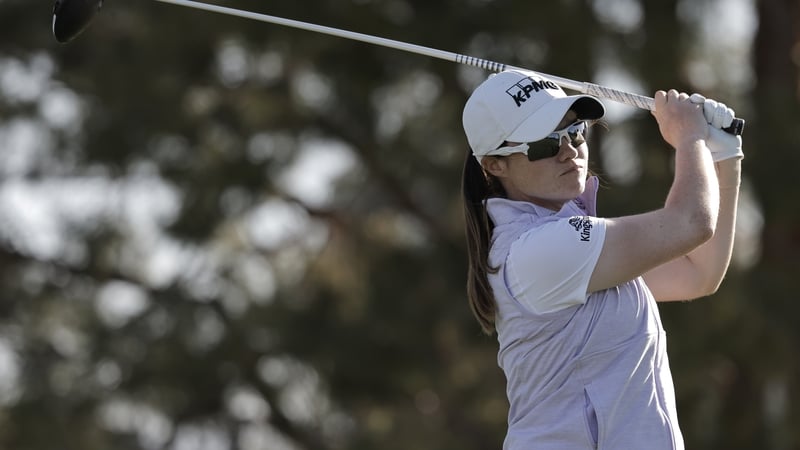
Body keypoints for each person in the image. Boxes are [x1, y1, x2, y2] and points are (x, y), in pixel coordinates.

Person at [460, 69, 742, 450]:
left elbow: (698, 274)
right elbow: (691, 222)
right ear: (495, 164)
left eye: (575, 132)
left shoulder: (573, 243)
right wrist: (689, 137)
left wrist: (724, 156)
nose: (569, 150)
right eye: (544, 144)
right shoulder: (538, 251)